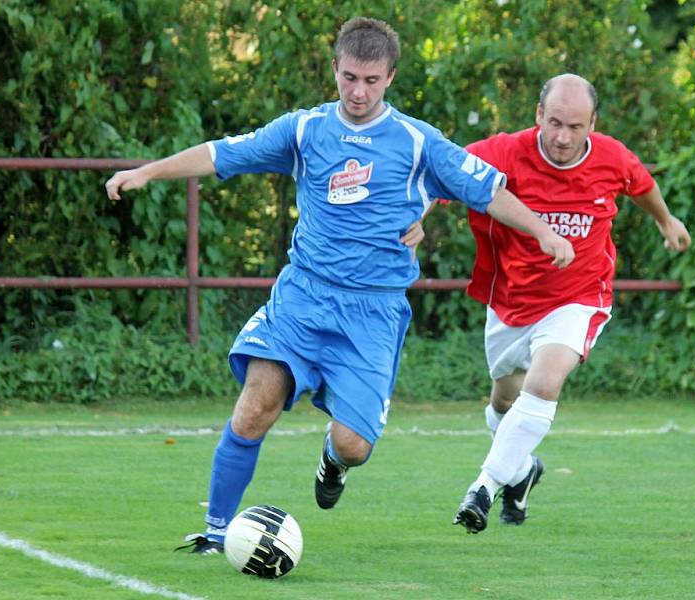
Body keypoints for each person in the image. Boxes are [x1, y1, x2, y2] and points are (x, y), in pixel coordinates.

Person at [105, 18, 575, 554]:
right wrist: (146, 172)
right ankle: (216, 530)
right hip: (304, 296)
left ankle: (334, 460)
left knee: (354, 446)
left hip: (372, 314)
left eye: (371, 81)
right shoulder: (305, 130)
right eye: (349, 77)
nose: (358, 91)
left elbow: (487, 191)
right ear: (335, 69)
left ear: (391, 78)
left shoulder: (419, 142)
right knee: (255, 405)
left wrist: (542, 231)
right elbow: (222, 153)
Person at [451, 73, 691, 534]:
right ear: (539, 114)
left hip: (578, 298)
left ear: (592, 124)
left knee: (545, 380)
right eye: (554, 122)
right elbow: (445, 174)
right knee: (504, 403)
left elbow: (640, 186)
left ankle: (483, 487)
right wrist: (417, 220)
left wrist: (666, 221)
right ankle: (522, 474)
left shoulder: (612, 157)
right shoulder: (501, 152)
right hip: (510, 304)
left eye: (575, 127)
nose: (562, 137)